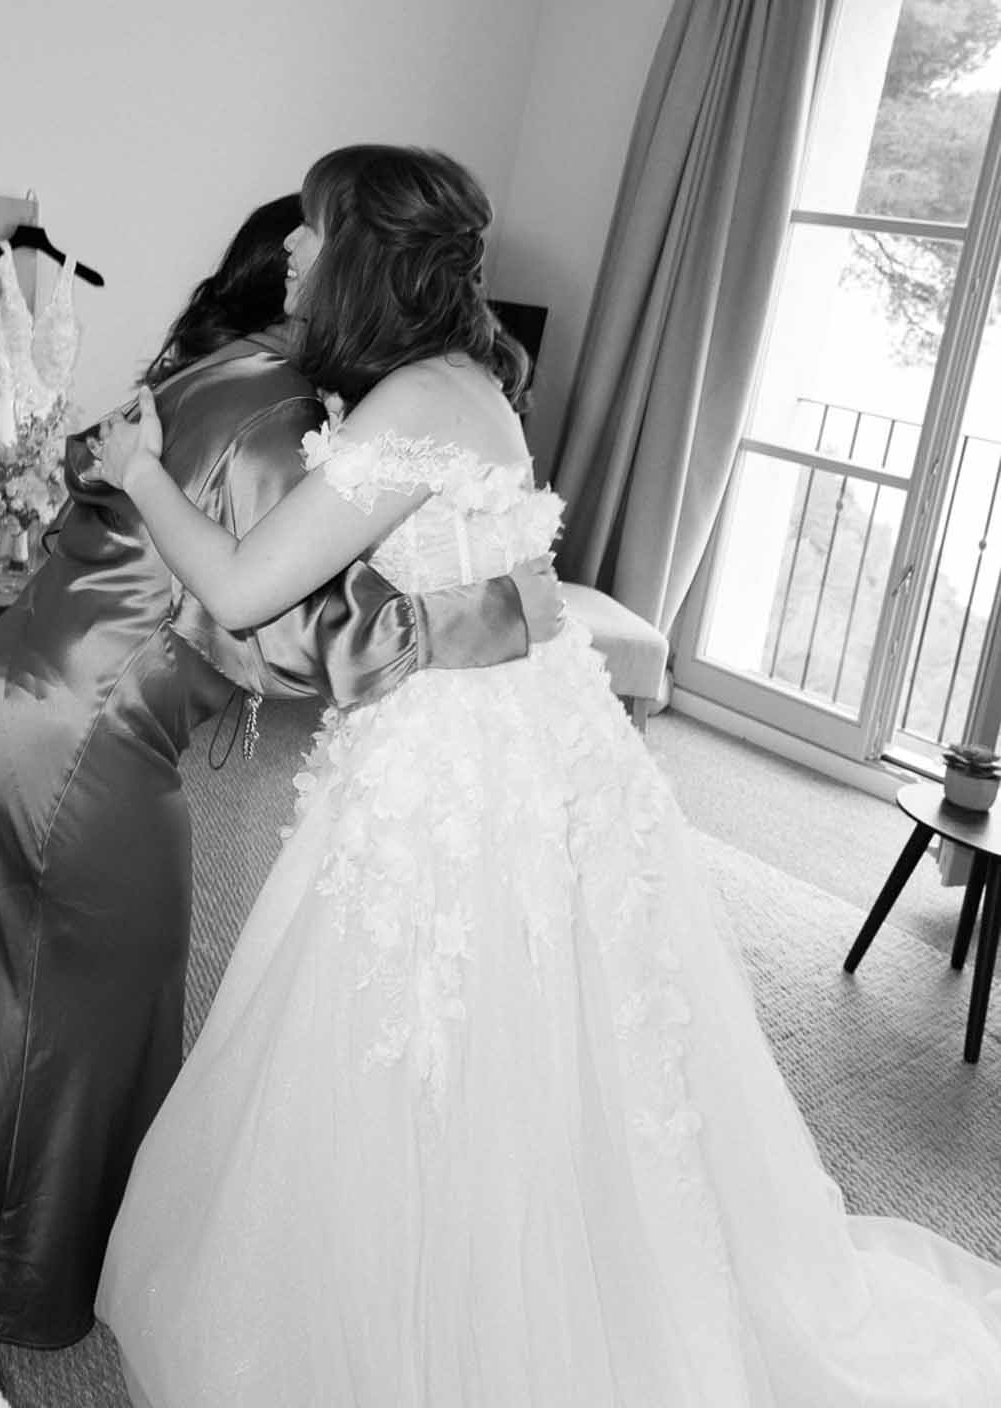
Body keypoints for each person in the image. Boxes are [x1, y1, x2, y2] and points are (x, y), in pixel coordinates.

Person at [95, 144, 1001, 1408]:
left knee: (433, 1004)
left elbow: (249, 587)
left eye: (308, 229)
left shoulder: (414, 402)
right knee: (544, 1001)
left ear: (361, 253)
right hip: (527, 720)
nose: (290, 251)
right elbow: (478, 585)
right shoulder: (463, 379)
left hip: (464, 752)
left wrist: (138, 468)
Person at [0, 193, 565, 1351]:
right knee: (90, 1011)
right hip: (89, 731)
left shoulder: (218, 372)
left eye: (312, 234)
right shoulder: (290, 418)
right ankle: (19, 1277)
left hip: (19, 692)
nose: (295, 252)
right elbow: (291, 627)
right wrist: (483, 612)